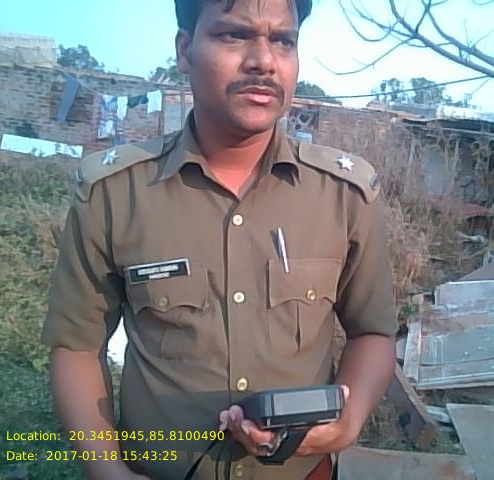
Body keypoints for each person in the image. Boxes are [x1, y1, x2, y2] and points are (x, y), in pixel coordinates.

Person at [42, 0, 397, 478]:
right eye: (233, 35)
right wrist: (108, 472)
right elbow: (77, 347)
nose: (263, 61)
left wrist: (347, 424)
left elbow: (372, 332)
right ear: (184, 50)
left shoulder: (346, 194)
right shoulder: (113, 194)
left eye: (283, 41)